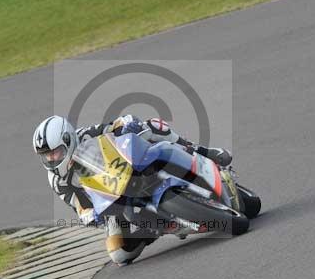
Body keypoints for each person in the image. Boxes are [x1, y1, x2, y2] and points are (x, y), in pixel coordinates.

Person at [33, 114, 232, 265]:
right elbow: (79, 206)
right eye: (46, 156)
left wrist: (129, 124)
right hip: (108, 200)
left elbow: (118, 124)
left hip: (128, 168)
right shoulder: (58, 180)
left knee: (153, 126)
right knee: (118, 253)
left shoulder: (85, 135)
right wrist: (91, 216)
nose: (52, 159)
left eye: (56, 152)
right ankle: (150, 229)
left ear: (68, 140)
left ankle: (202, 152)